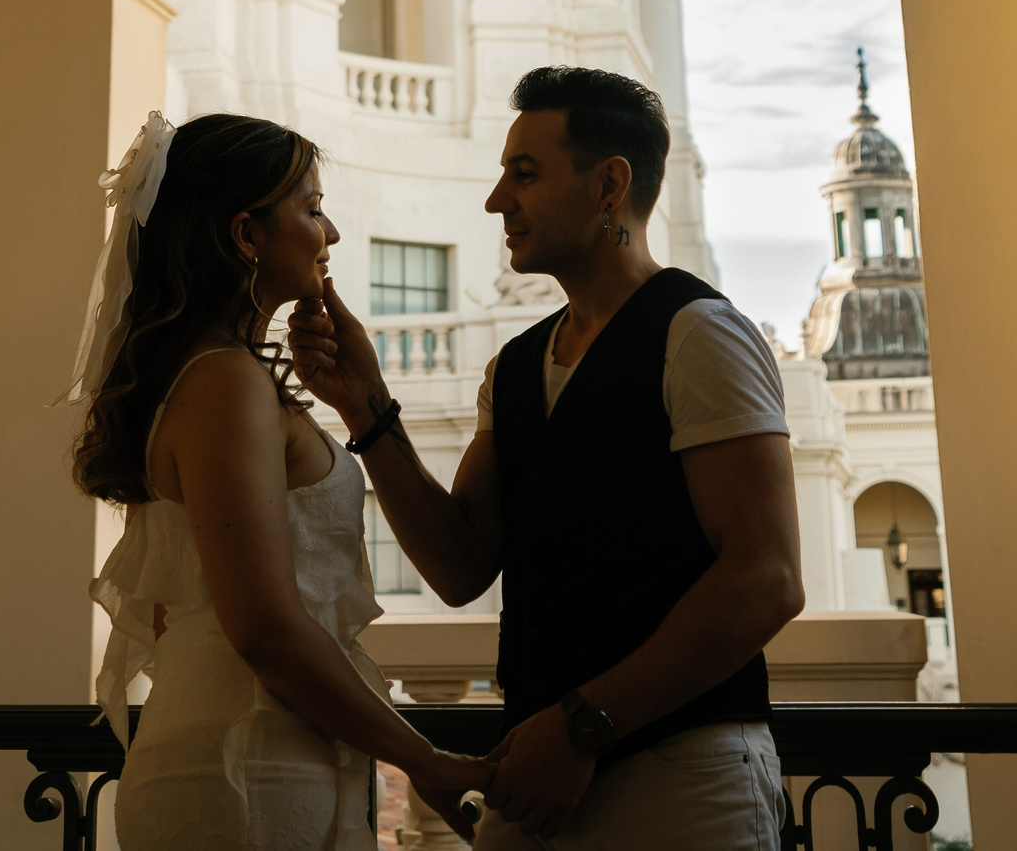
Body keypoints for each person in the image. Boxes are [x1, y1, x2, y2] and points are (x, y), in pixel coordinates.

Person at [290, 67, 805, 848]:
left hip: (685, 780)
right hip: (537, 782)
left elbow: (766, 579)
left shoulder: (699, 335)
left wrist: (583, 726)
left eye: (523, 174)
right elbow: (461, 565)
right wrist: (365, 406)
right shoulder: (517, 365)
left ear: (609, 185)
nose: (498, 199)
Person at [66, 111, 499, 849]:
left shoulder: (205, 378)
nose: (329, 233)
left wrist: (360, 395)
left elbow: (177, 609)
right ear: (245, 234)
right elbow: (264, 624)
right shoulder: (225, 380)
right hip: (247, 764)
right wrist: (422, 757)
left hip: (242, 746)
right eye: (312, 208)